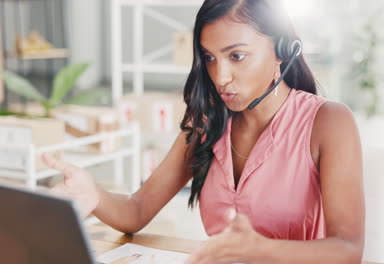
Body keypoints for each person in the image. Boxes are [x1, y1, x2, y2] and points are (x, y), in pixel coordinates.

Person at [42, 0, 365, 263]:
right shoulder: (206, 124)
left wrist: (261, 250)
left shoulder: (329, 121)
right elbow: (136, 211)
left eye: (236, 56)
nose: (220, 76)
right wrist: (93, 194)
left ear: (281, 49)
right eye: (209, 58)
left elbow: (348, 250)